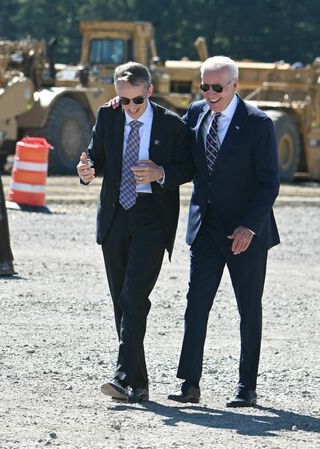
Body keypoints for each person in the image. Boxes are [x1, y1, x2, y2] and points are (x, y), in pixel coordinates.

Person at [167, 56, 280, 407]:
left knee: (248, 308)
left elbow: (269, 183)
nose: (210, 93)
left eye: (218, 87)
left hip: (245, 231)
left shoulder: (259, 123)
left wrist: (250, 226)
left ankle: (246, 387)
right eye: (205, 86)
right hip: (205, 229)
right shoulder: (196, 113)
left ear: (235, 85)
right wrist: (120, 104)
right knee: (196, 305)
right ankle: (189, 384)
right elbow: (180, 153)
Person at [77, 61, 193, 403]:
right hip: (115, 217)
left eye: (136, 101)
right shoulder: (108, 115)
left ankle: (122, 375)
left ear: (150, 92)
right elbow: (94, 158)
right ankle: (137, 384)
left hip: (151, 217)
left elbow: (188, 167)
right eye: (123, 100)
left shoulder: (172, 125)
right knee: (121, 302)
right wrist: (86, 171)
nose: (130, 108)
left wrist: (160, 172)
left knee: (133, 296)